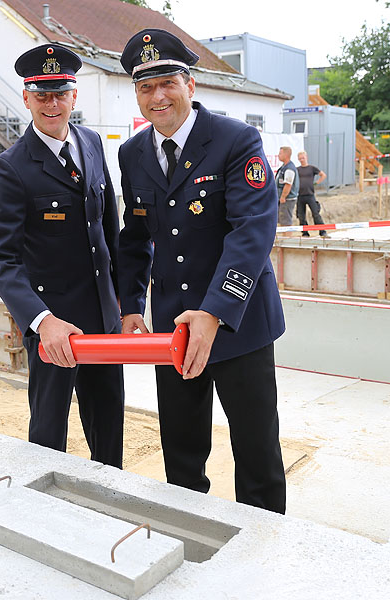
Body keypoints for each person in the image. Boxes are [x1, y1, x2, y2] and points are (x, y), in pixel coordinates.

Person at [117, 28, 287, 513]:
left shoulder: (236, 140)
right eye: (145, 87)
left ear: (190, 85)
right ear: (137, 94)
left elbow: (252, 230)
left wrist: (213, 312)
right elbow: (135, 235)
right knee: (182, 454)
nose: (158, 96)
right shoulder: (132, 153)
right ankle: (190, 542)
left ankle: (262, 555)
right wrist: (131, 306)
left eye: (167, 82)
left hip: (238, 324)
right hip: (174, 327)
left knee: (256, 455)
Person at [0, 44, 124, 467]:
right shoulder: (11, 168)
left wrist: (124, 300)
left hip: (102, 320)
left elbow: (108, 227)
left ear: (74, 95)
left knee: (109, 426)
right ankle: (45, 509)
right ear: (26, 97)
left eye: (60, 93)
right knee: (48, 433)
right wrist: (43, 322)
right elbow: (0, 259)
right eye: (41, 95)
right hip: (54, 327)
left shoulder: (92, 143)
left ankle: (110, 499)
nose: (52, 104)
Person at [296, 151, 328, 237]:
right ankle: (305, 232)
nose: (302, 160)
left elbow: (323, 175)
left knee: (315, 213)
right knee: (301, 215)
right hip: (300, 195)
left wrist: (316, 183)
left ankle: (322, 231)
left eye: (303, 158)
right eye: (300, 158)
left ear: (306, 157)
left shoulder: (311, 168)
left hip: (310, 194)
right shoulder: (297, 169)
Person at [276, 146, 298, 237]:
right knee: (282, 220)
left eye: (280, 153)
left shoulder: (289, 168)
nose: (278, 155)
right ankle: (284, 241)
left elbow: (288, 184)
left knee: (286, 221)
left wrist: (283, 197)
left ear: (286, 155)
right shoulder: (284, 167)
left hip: (287, 199)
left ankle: (287, 241)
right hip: (283, 199)